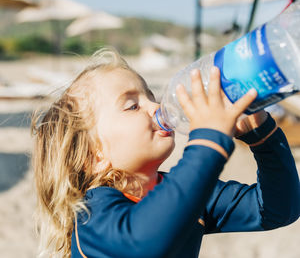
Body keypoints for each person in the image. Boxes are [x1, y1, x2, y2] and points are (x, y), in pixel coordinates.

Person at [31, 48, 300, 258]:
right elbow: (144, 241)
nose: (155, 107)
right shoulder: (91, 217)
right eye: (132, 106)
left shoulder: (181, 190)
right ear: (95, 156)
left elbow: (278, 210)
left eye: (151, 96)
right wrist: (208, 142)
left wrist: (262, 137)